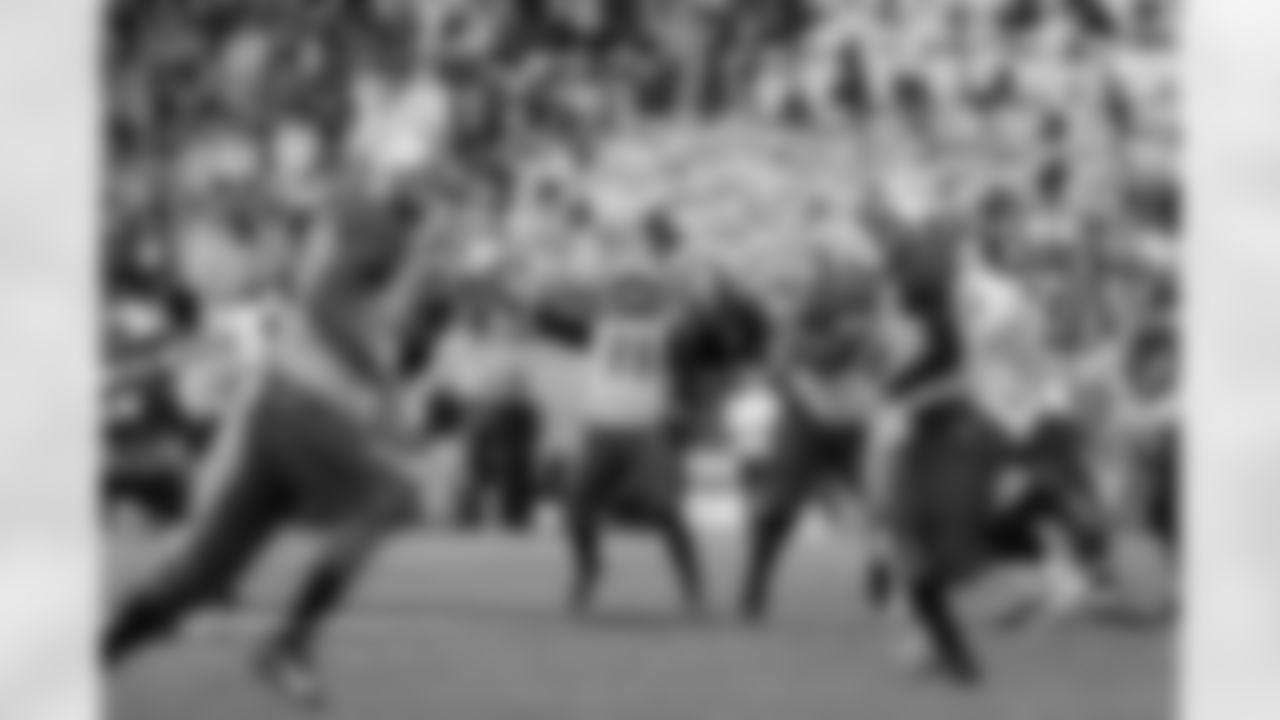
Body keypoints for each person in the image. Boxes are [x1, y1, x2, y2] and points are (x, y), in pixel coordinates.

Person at [103, 215, 422, 709]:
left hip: (284, 413)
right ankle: (290, 643)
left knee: (202, 573)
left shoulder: (379, 274)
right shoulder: (376, 243)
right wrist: (382, 383)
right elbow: (326, 296)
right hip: (302, 408)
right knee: (391, 496)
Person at [562, 266, 705, 617]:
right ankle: (589, 567)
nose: (632, 297)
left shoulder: (669, 330)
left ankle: (692, 585)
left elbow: (695, 336)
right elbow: (545, 317)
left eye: (641, 290)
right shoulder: (598, 326)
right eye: (626, 290)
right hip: (601, 427)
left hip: (646, 428)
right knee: (577, 507)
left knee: (665, 507)